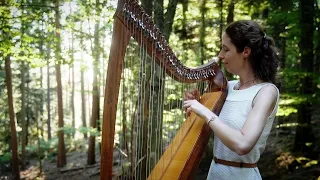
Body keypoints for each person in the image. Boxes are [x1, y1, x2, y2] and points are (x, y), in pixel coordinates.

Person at [183, 20, 280, 180]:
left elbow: (243, 145)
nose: (220, 55)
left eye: (226, 49)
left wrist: (204, 112)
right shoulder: (226, 88)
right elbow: (208, 127)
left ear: (245, 52)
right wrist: (194, 106)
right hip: (214, 174)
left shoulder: (266, 92)